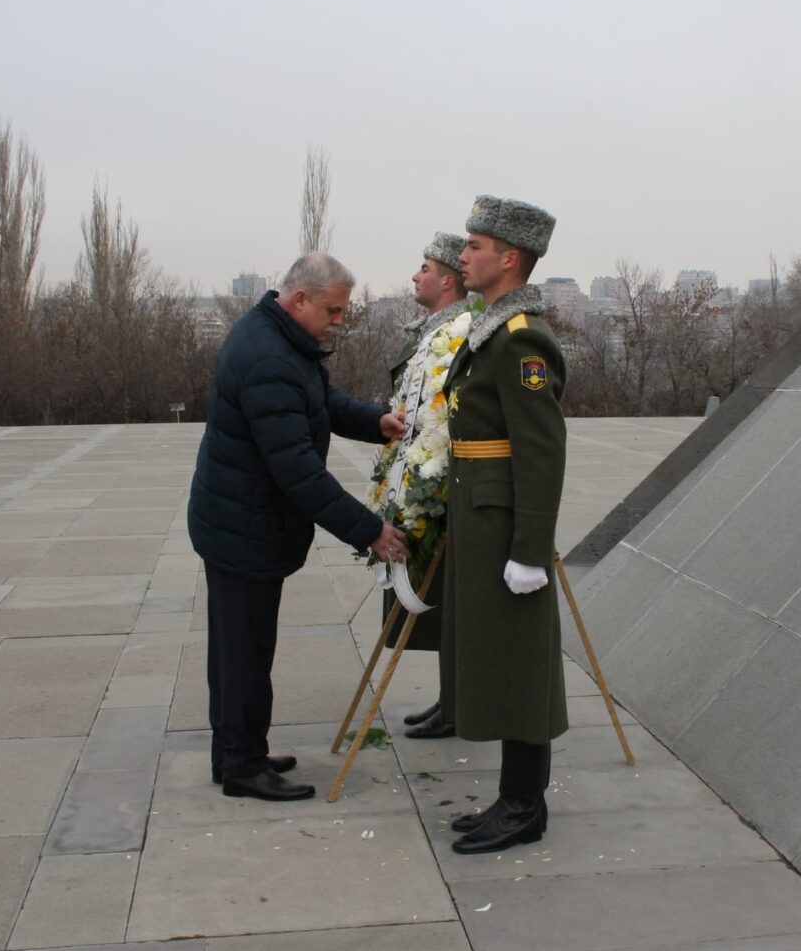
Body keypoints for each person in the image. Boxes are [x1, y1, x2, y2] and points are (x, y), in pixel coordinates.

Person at [188, 252, 408, 802]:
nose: (339, 321)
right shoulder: (268, 356)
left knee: (239, 646)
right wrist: (370, 531)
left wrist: (375, 421)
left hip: (241, 519)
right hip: (243, 526)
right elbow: (299, 473)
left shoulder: (279, 338)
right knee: (244, 651)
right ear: (300, 299)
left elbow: (318, 402)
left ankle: (237, 751)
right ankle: (241, 765)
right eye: (333, 310)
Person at [439, 196, 568, 854]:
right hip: (480, 513)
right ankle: (512, 797)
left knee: (519, 662)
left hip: (505, 525)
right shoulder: (491, 325)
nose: (463, 255)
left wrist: (529, 552)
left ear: (509, 257)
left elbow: (541, 453)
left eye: (475, 245)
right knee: (500, 655)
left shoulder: (523, 338)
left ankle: (524, 805)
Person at [384, 232, 472, 741]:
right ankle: (450, 699)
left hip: (440, 481)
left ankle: (457, 703)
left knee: (446, 600)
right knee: (437, 597)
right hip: (418, 473)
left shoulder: (458, 330)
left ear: (448, 279)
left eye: (425, 267)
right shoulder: (429, 329)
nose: (416, 276)